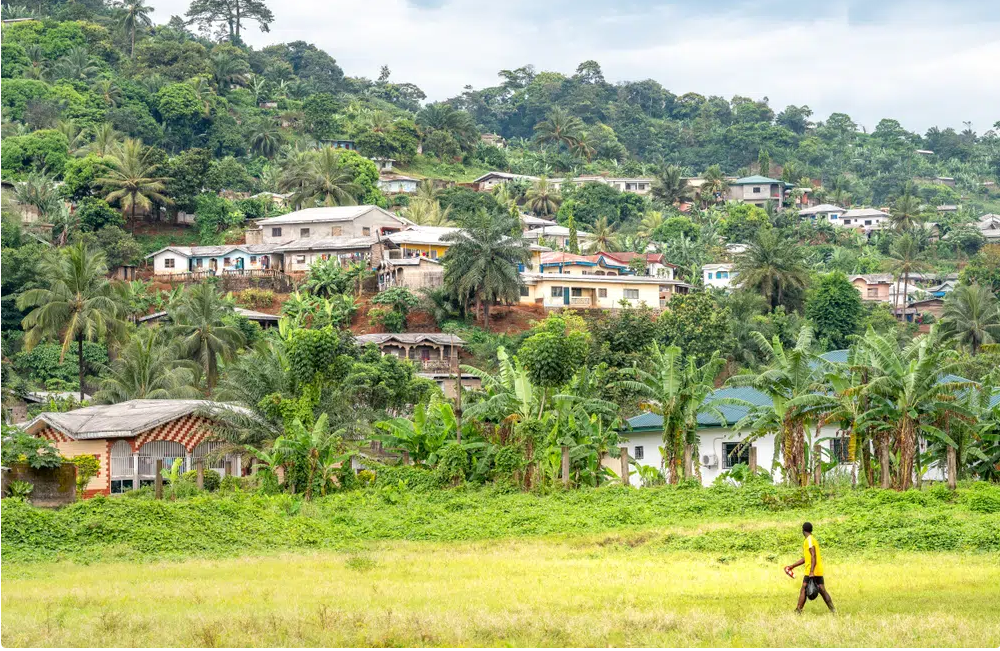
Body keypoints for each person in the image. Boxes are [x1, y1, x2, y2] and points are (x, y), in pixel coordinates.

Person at [784, 522, 836, 614]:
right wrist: (792, 566)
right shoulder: (811, 540)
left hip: (811, 570)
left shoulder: (809, 540)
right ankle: (833, 610)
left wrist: (811, 571)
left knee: (803, 589)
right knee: (822, 590)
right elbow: (806, 558)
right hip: (817, 570)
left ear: (803, 530)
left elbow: (813, 555)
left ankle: (798, 610)